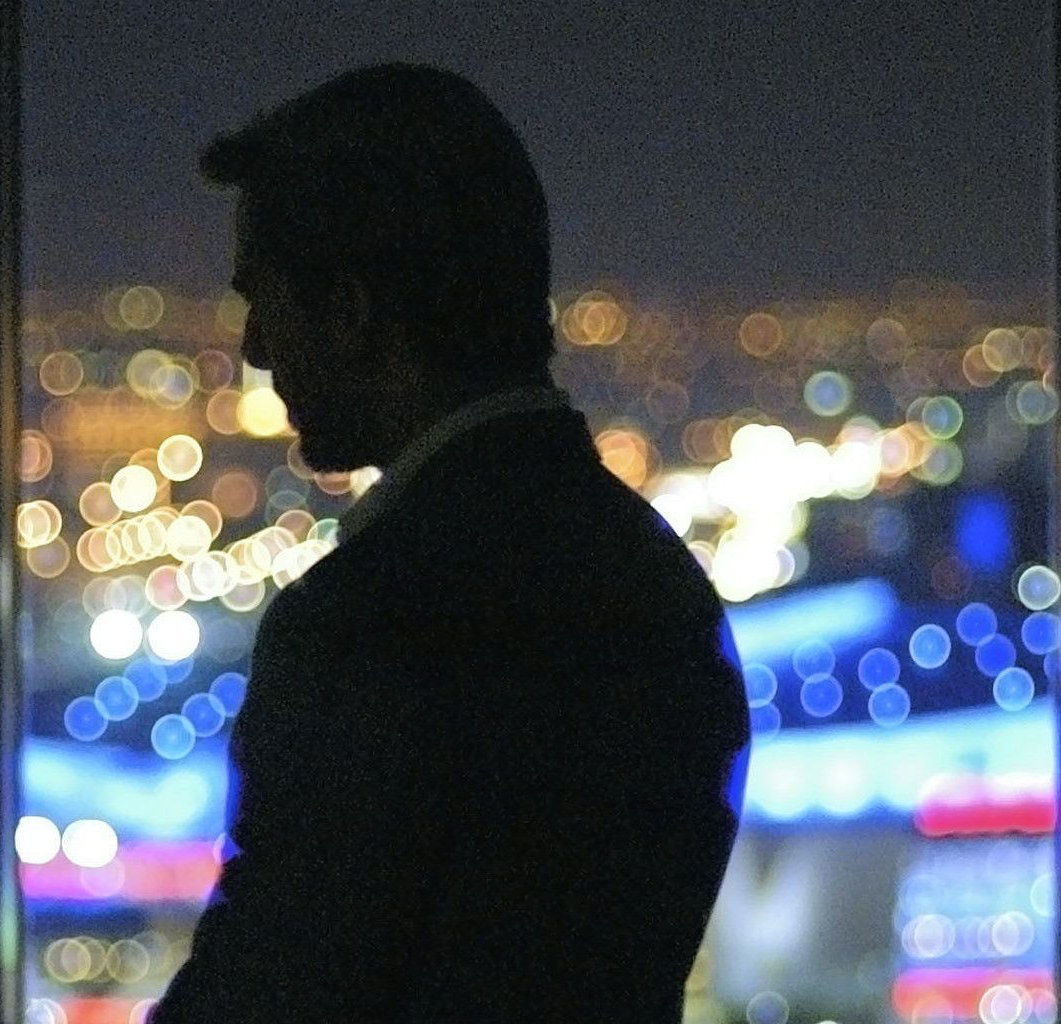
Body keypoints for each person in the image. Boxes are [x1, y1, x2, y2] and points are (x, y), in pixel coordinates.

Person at [150, 64, 751, 1022]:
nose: (257, 346)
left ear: (350, 312)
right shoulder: (660, 590)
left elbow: (266, 993)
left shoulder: (362, 625)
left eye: (263, 299)